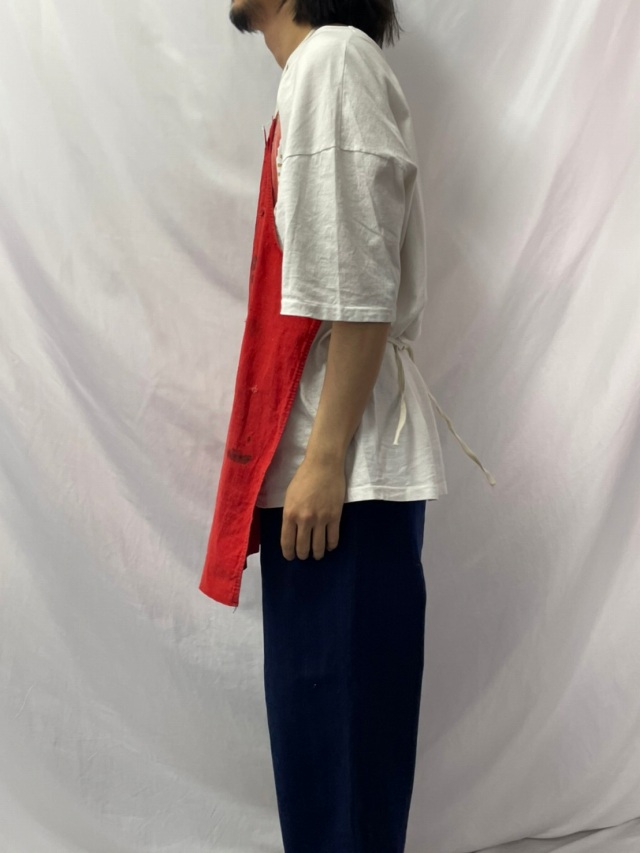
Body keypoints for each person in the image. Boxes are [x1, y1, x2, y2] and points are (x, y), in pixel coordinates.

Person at [200, 2, 495, 850]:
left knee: (341, 779)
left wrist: (324, 457)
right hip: (335, 469)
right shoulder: (319, 71)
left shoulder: (330, 60)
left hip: (345, 472)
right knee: (327, 770)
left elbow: (359, 282)